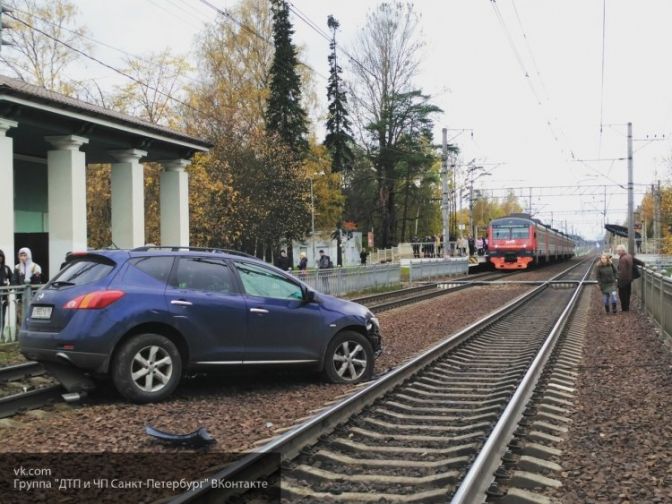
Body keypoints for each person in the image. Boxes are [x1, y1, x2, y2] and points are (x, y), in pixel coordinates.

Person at [615, 244, 645, 312]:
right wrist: (643, 264)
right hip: (629, 279)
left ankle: (624, 309)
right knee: (628, 294)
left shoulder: (623, 259)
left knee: (622, 295)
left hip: (623, 280)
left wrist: (618, 281)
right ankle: (627, 308)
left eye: (618, 251)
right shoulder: (628, 255)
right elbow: (636, 261)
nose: (617, 252)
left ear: (622, 251)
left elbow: (622, 271)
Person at [0, 250, 12, 331]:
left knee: (2, 317)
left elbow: (13, 280)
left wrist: (8, 289)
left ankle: (1, 336)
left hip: (3, 298)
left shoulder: (6, 269)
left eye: (0, 256)